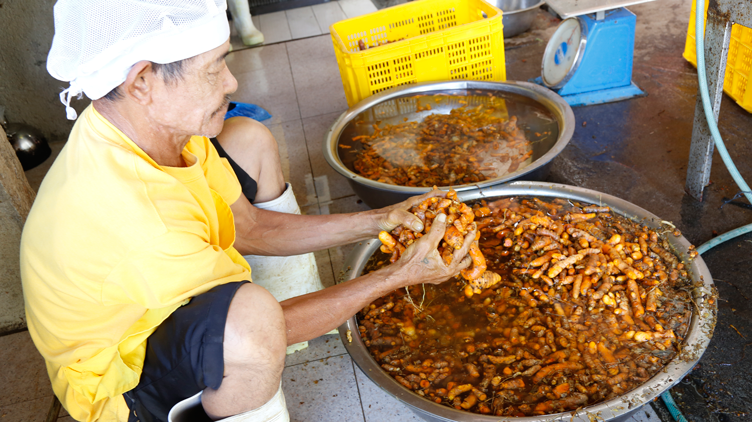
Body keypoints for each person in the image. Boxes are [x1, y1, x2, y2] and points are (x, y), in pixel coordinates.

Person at [21, 1, 475, 422]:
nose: (232, 82)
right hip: (120, 380)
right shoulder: (141, 219)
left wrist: (381, 220)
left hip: (158, 295)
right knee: (252, 323)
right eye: (213, 67)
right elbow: (267, 326)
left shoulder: (158, 127)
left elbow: (250, 227)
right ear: (142, 81)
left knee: (246, 136)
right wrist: (396, 276)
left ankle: (298, 307)